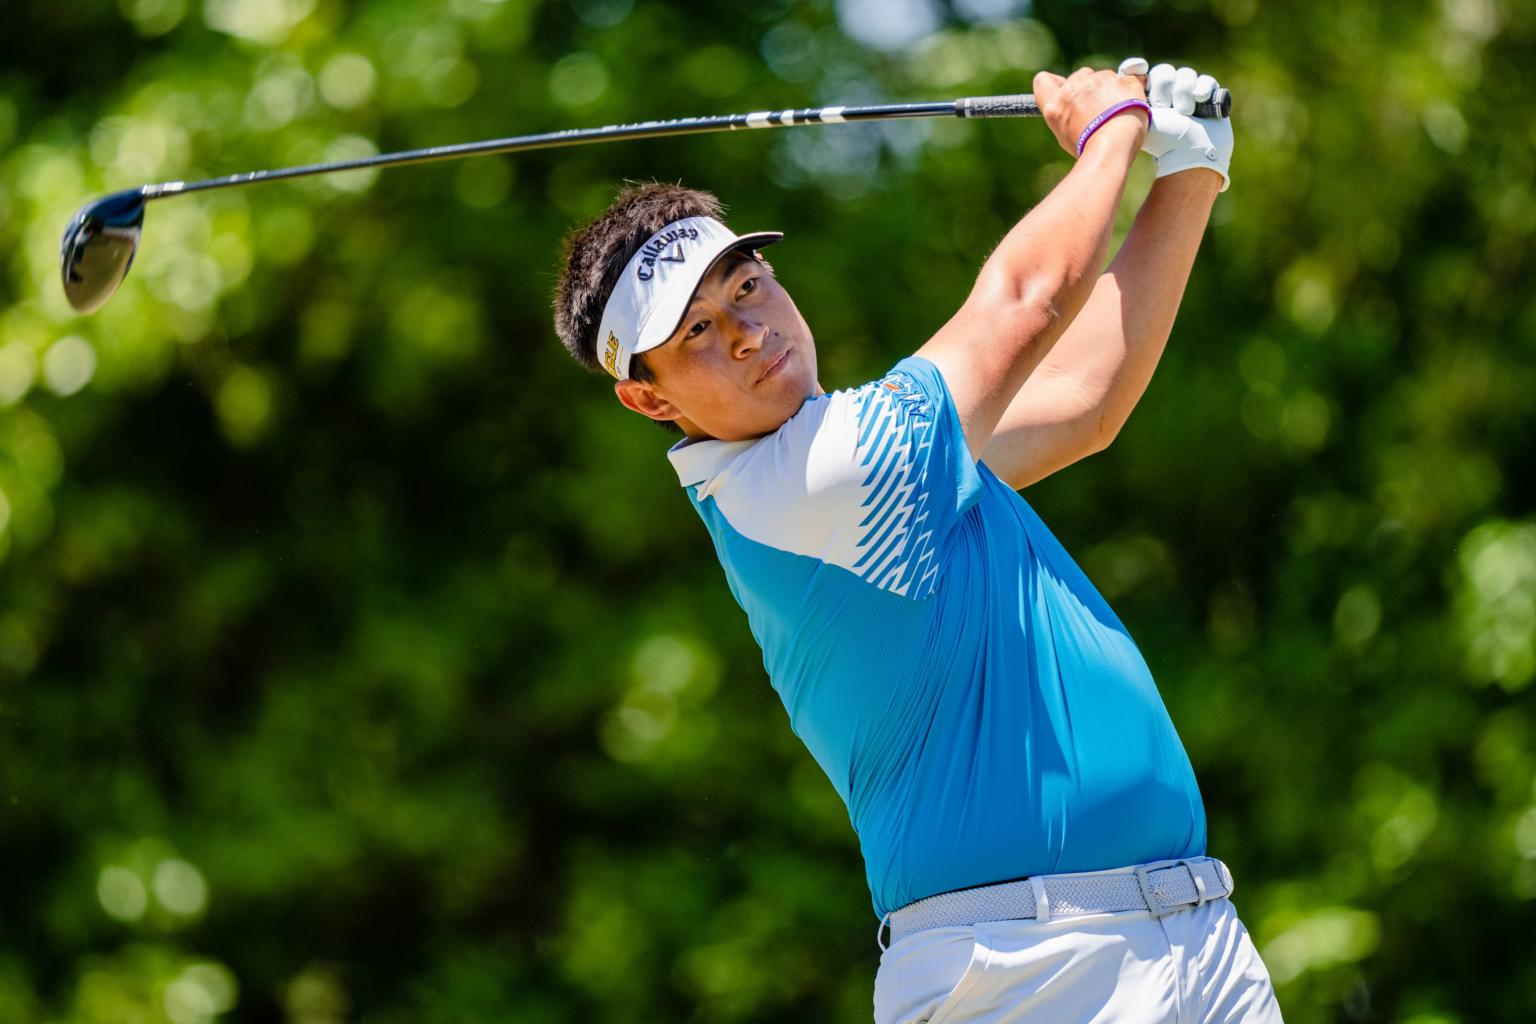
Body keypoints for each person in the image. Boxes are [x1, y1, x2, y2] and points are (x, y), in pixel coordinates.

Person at [551, 58, 1282, 1023]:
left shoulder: (883, 462)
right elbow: (1024, 301)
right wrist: (1112, 132)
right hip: (1025, 973)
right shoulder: (814, 481)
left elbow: (1081, 400)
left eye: (748, 287)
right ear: (649, 400)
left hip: (1195, 938)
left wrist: (1189, 173)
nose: (746, 332)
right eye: (696, 333)